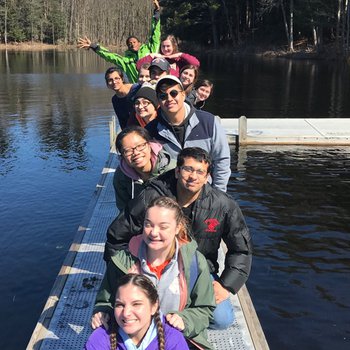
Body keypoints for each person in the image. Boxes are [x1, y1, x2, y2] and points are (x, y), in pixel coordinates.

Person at [104, 147, 253, 330]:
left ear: (207, 177)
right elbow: (117, 234)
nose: (193, 177)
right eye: (188, 169)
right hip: (154, 267)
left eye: (200, 172)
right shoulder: (152, 196)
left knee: (222, 319)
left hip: (200, 271)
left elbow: (241, 249)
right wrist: (123, 270)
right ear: (177, 171)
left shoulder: (223, 205)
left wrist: (226, 285)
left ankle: (183, 317)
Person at [92, 197, 216, 349]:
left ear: (177, 228)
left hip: (177, 339)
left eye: (163, 227)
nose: (154, 233)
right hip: (130, 338)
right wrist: (102, 312)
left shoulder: (195, 263)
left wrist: (185, 320)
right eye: (148, 225)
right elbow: (105, 300)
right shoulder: (121, 262)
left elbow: (205, 308)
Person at [146, 75, 231, 192]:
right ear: (158, 101)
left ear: (183, 94)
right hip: (169, 195)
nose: (169, 99)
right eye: (163, 96)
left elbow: (222, 160)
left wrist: (218, 194)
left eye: (174, 93)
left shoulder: (209, 122)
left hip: (205, 192)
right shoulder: (151, 130)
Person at [85, 273, 189, 350]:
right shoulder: (100, 339)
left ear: (154, 306)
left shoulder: (173, 340)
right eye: (120, 305)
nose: (126, 313)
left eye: (136, 304)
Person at [77, 0, 161, 83]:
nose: (132, 44)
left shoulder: (150, 50)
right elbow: (110, 56)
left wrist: (156, 12)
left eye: (134, 42)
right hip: (137, 89)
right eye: (129, 44)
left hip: (155, 86)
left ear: (139, 43)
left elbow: (155, 33)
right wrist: (93, 46)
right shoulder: (126, 61)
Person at [113, 126, 176, 210]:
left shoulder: (172, 168)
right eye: (128, 150)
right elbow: (123, 208)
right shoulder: (121, 175)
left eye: (140, 146)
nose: (136, 153)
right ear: (122, 156)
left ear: (149, 145)